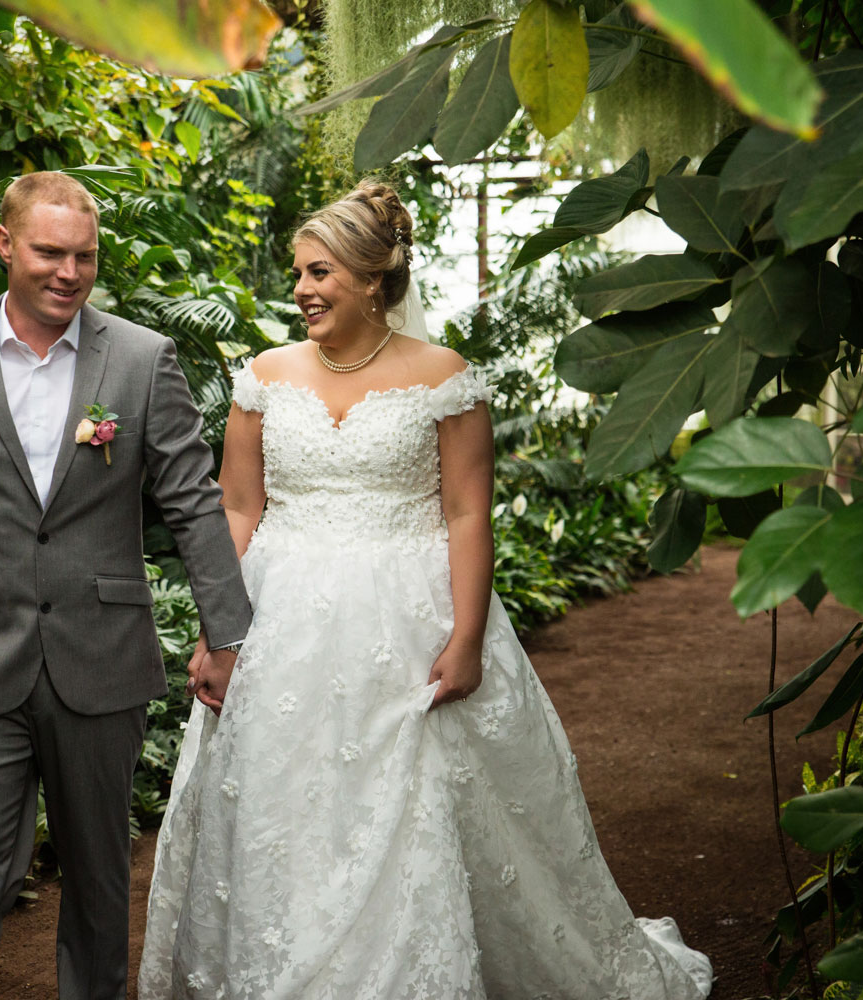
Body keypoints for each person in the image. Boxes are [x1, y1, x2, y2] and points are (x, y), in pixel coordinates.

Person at [138, 180, 712, 1000]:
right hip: (279, 624)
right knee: (279, 811)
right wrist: (217, 631)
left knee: (413, 814)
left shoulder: (445, 379)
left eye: (319, 272)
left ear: (374, 280)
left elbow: (466, 514)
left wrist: (467, 638)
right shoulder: (264, 377)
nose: (300, 289)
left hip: (406, 626)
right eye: (298, 273)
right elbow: (237, 506)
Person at [0, 171, 251, 1000]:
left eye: (84, 256)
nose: (68, 272)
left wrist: (227, 636)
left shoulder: (144, 360)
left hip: (103, 659)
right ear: (6, 245)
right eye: (48, 252)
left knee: (100, 885)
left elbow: (191, 500)